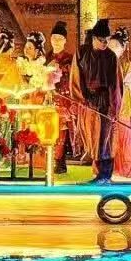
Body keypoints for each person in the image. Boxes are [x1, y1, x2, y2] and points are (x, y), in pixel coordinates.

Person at [78, 19, 120, 182]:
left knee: (105, 137)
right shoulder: (82, 53)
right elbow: (77, 78)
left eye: (107, 41)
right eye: (102, 40)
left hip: (105, 100)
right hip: (88, 100)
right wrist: (83, 98)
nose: (105, 44)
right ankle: (96, 172)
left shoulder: (111, 57)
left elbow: (115, 84)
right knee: (91, 137)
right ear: (94, 38)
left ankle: (105, 174)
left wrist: (113, 107)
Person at [110, 28, 131, 179]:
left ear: (123, 48)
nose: (112, 48)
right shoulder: (103, 62)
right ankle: (107, 170)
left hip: (121, 107)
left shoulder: (127, 65)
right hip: (107, 107)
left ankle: (125, 171)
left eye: (116, 45)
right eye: (110, 44)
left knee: (123, 139)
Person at [48, 21, 77, 172]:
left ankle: (59, 161)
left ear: (65, 40)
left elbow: (73, 79)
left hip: (63, 98)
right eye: (54, 38)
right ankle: (47, 160)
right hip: (48, 98)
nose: (56, 42)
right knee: (48, 129)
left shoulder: (70, 58)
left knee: (61, 132)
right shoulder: (46, 57)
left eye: (60, 38)